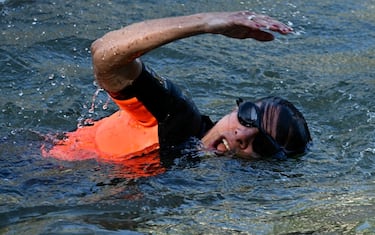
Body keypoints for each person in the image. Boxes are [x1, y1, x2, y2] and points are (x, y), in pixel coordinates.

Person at [42, 11, 312, 173]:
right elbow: (104, 54)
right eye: (249, 117)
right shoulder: (175, 115)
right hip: (29, 171)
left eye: (262, 143)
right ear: (236, 108)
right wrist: (204, 23)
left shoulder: (201, 179)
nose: (242, 135)